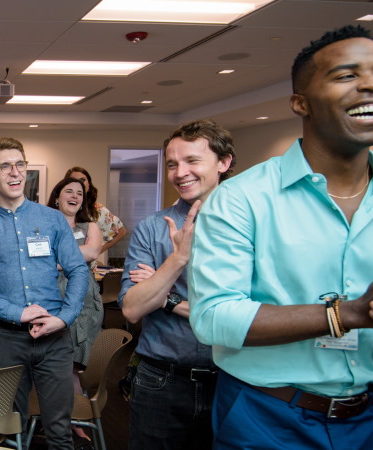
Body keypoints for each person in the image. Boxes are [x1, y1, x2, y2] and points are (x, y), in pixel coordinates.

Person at [188, 25, 373, 449]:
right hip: (268, 416)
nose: (371, 84)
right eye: (346, 75)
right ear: (300, 102)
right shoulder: (240, 199)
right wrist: (349, 314)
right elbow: (213, 317)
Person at [0, 137, 88, 450]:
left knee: (59, 430)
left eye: (20, 164)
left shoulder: (52, 219)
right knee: (8, 427)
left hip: (54, 339)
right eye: (5, 166)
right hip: (7, 339)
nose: (15, 172)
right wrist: (17, 313)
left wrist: (64, 318)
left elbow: (79, 271)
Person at [118, 119, 236, 450]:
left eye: (192, 161)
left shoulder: (251, 226)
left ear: (223, 163)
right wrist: (177, 259)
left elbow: (246, 315)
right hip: (161, 381)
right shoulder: (152, 228)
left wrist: (167, 299)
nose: (179, 172)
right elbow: (132, 308)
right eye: (172, 164)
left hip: (232, 381)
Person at [47, 177, 103, 368]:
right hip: (49, 298)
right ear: (57, 197)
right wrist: (75, 257)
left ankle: (79, 398)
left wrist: (52, 260)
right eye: (69, 191)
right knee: (51, 360)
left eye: (80, 194)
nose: (75, 196)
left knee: (78, 363)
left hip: (83, 302)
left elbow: (93, 251)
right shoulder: (44, 226)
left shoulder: (90, 226)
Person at [65, 166, 126, 260]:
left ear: (89, 185)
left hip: (86, 268)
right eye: (74, 180)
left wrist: (99, 250)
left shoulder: (97, 210)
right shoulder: (59, 210)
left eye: (83, 180)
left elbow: (121, 231)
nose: (79, 183)